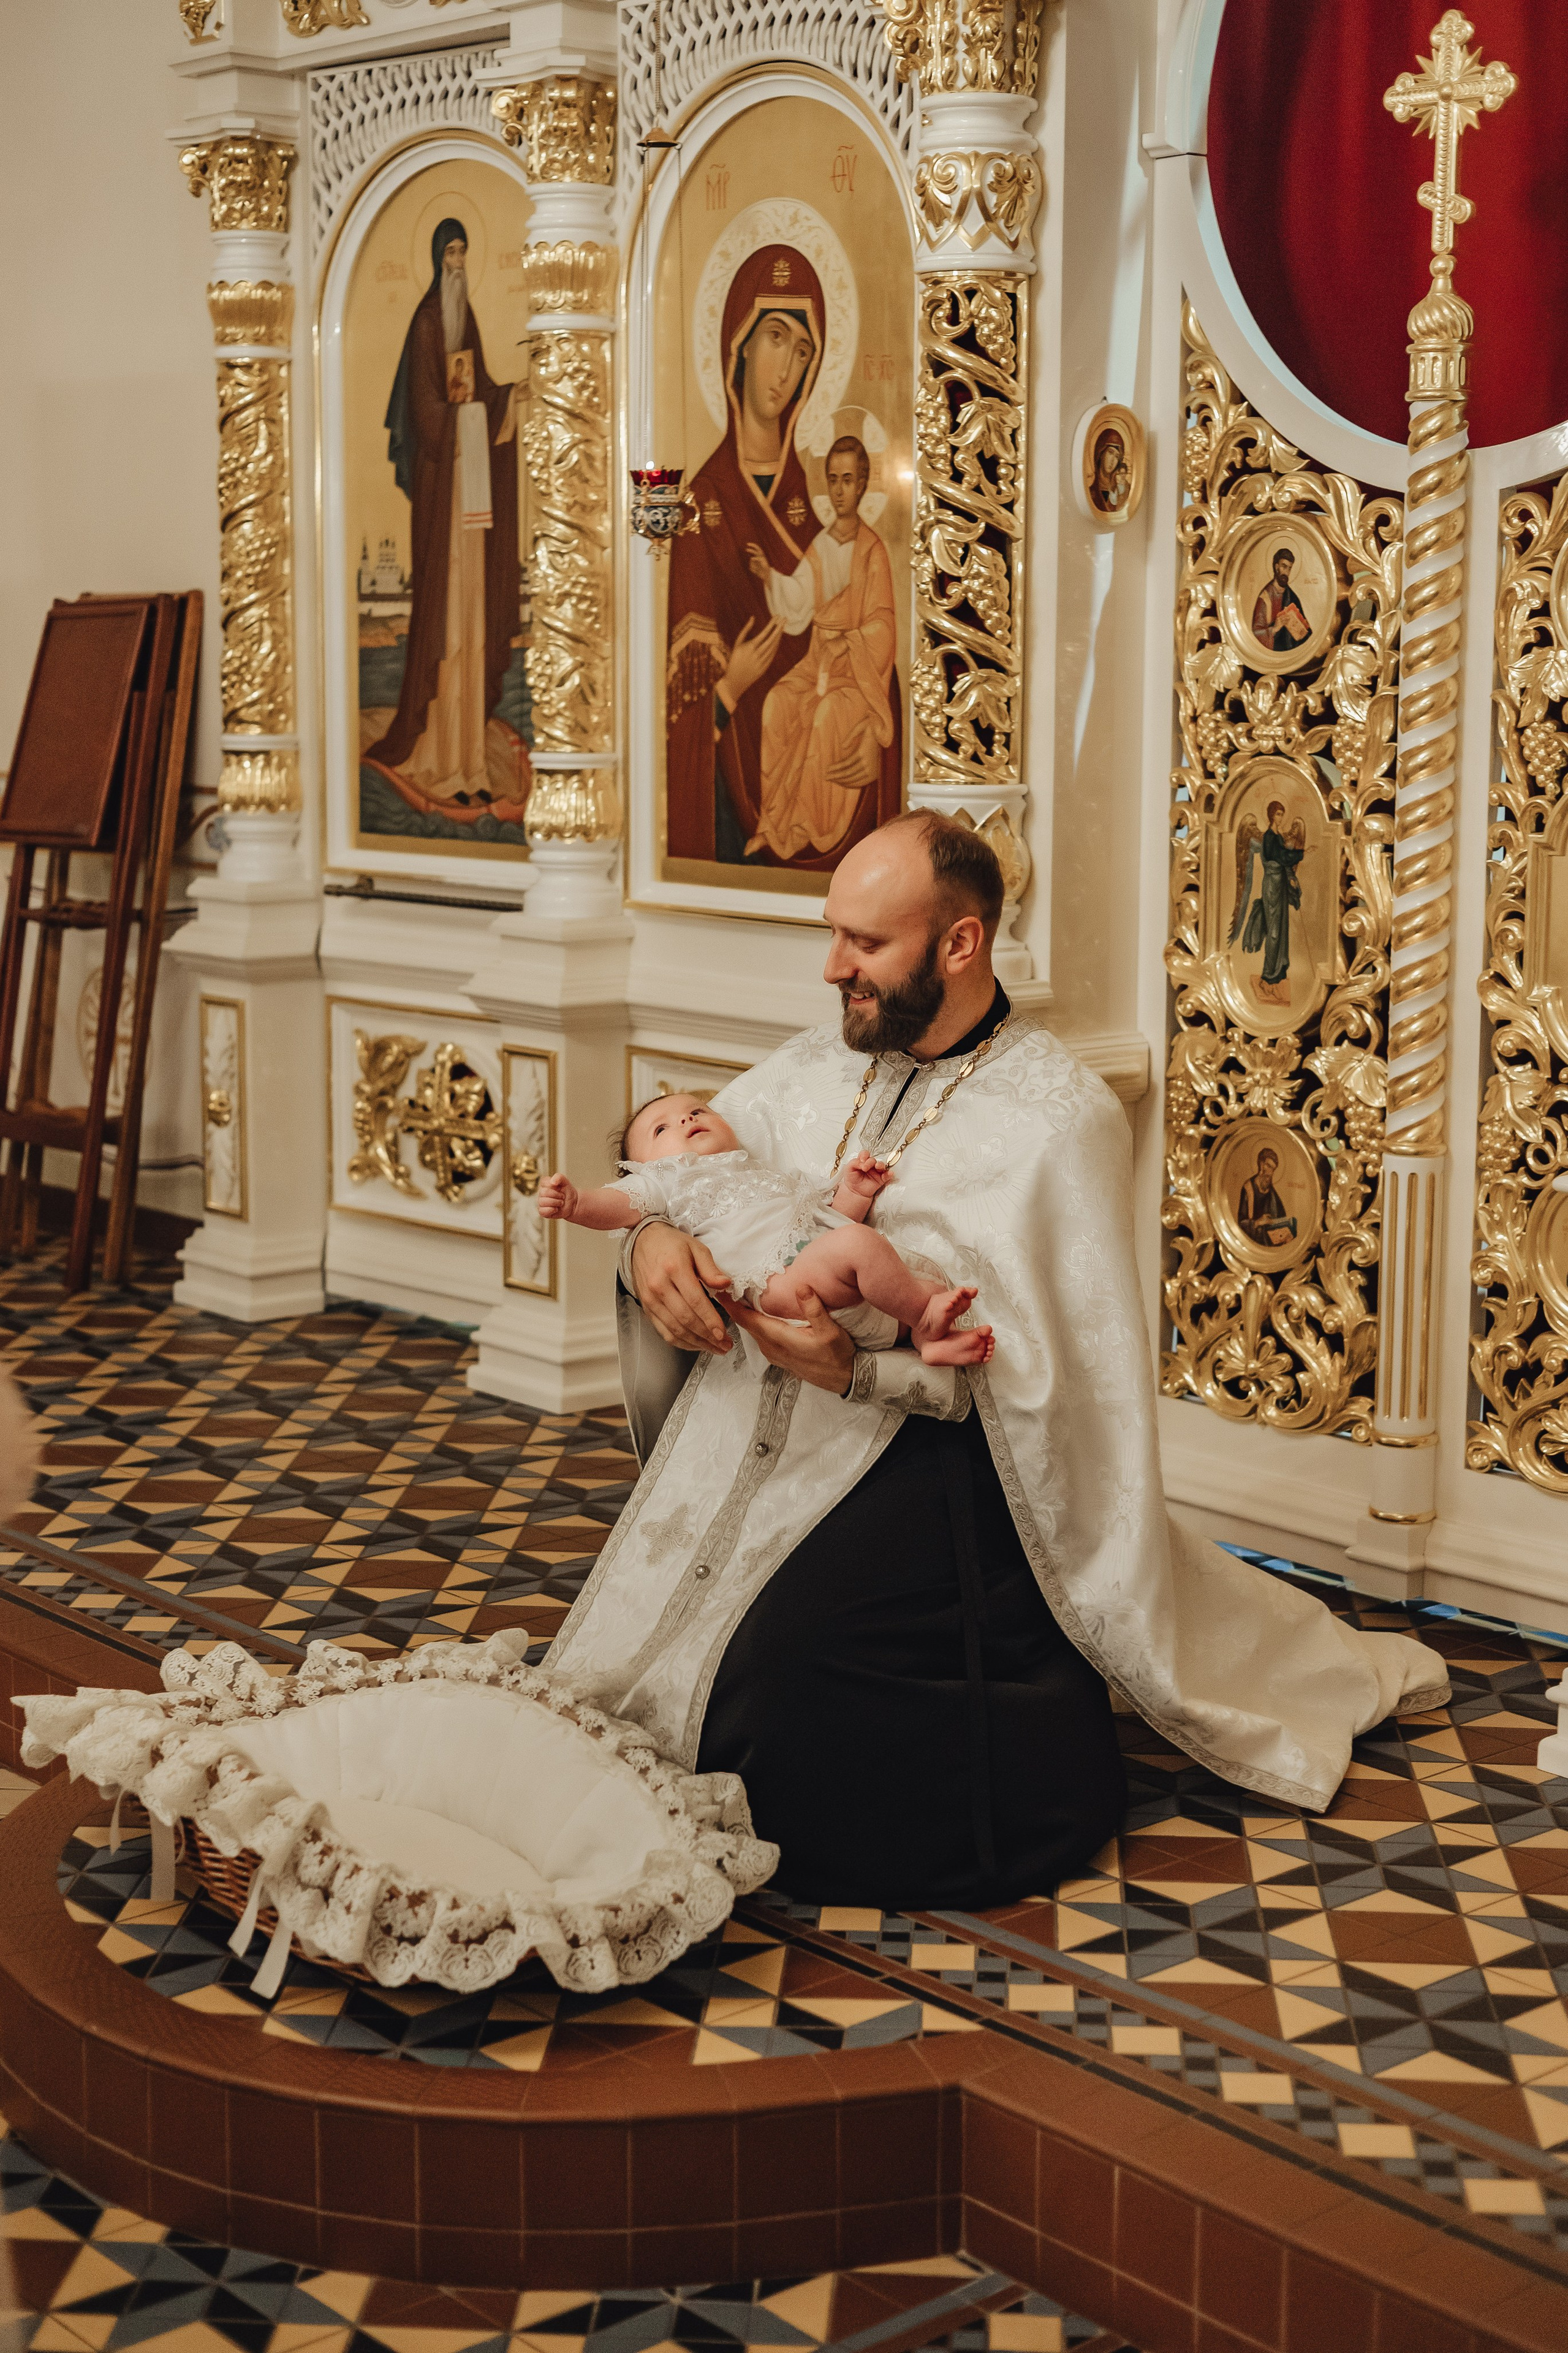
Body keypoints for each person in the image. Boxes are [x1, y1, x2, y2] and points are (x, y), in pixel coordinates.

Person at [546, 812, 1449, 1909]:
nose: (831, 967)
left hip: (948, 1458)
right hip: (763, 1428)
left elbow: (1051, 1386)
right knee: (656, 1638)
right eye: (832, 933)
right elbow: (677, 1184)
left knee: (774, 1677)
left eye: (863, 943)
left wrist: (857, 1371)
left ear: (959, 942)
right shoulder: (808, 1069)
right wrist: (647, 1243)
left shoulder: (1057, 1116)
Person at [664, 243, 902, 869]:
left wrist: (879, 742)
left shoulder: (821, 507)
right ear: (739, 343)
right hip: (730, 799)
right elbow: (674, 714)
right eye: (775, 337)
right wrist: (729, 689)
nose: (786, 369)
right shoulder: (699, 508)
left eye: (803, 352)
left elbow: (876, 637)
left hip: (842, 775)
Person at [536, 1090, 993, 1366]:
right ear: (643, 1166)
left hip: (824, 1276)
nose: (687, 1119)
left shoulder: (760, 1172)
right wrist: (576, 1204)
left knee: (918, 1280)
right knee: (860, 1247)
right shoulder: (668, 1180)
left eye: (697, 1110)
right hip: (777, 1282)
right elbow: (619, 1205)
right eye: (662, 1129)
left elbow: (825, 1220)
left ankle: (923, 1337)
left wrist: (854, 1192)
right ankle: (924, 1319)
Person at [365, 218, 526, 815]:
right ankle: (438, 757)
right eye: (450, 253)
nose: (458, 264)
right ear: (437, 259)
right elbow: (428, 416)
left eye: (463, 252)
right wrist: (476, 417)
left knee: (474, 627)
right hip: (444, 503)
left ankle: (471, 763)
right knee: (449, 628)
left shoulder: (466, 318)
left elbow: (478, 388)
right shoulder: (427, 323)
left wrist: (510, 397)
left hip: (473, 495)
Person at [744, 435, 897, 863]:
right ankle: (773, 824)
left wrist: (849, 641)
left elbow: (884, 626)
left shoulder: (873, 551)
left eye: (848, 480)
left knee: (826, 714)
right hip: (817, 661)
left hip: (856, 673)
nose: (839, 490)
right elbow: (798, 599)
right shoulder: (822, 545)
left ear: (862, 484)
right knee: (777, 703)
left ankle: (807, 826)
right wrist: (769, 576)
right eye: (833, 480)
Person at [1230, 799, 1305, 1006]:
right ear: (1272, 816)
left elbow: (1284, 863)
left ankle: (1277, 975)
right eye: (1278, 814)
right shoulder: (1269, 838)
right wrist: (1301, 854)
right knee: (1273, 931)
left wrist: (1291, 877)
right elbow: (1280, 856)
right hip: (1272, 887)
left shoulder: (1278, 837)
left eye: (1282, 814)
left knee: (1281, 930)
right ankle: (1267, 977)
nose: (1281, 818)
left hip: (1280, 885)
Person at [1251, 546, 1310, 652]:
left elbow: (1305, 632)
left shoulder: (1291, 596)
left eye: (1289, 568)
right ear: (1276, 567)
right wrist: (1274, 629)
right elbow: (1255, 634)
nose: (1286, 572)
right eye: (1284, 566)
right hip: (1274, 654)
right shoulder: (1265, 598)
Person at [1237, 1147, 1297, 1250]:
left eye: (1273, 1169)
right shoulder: (1248, 1189)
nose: (1270, 1173)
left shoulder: (1272, 1193)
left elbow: (1282, 1218)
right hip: (1252, 1245)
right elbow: (1241, 1223)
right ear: (1261, 1164)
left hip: (1270, 1244)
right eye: (1268, 1166)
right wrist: (1258, 1223)